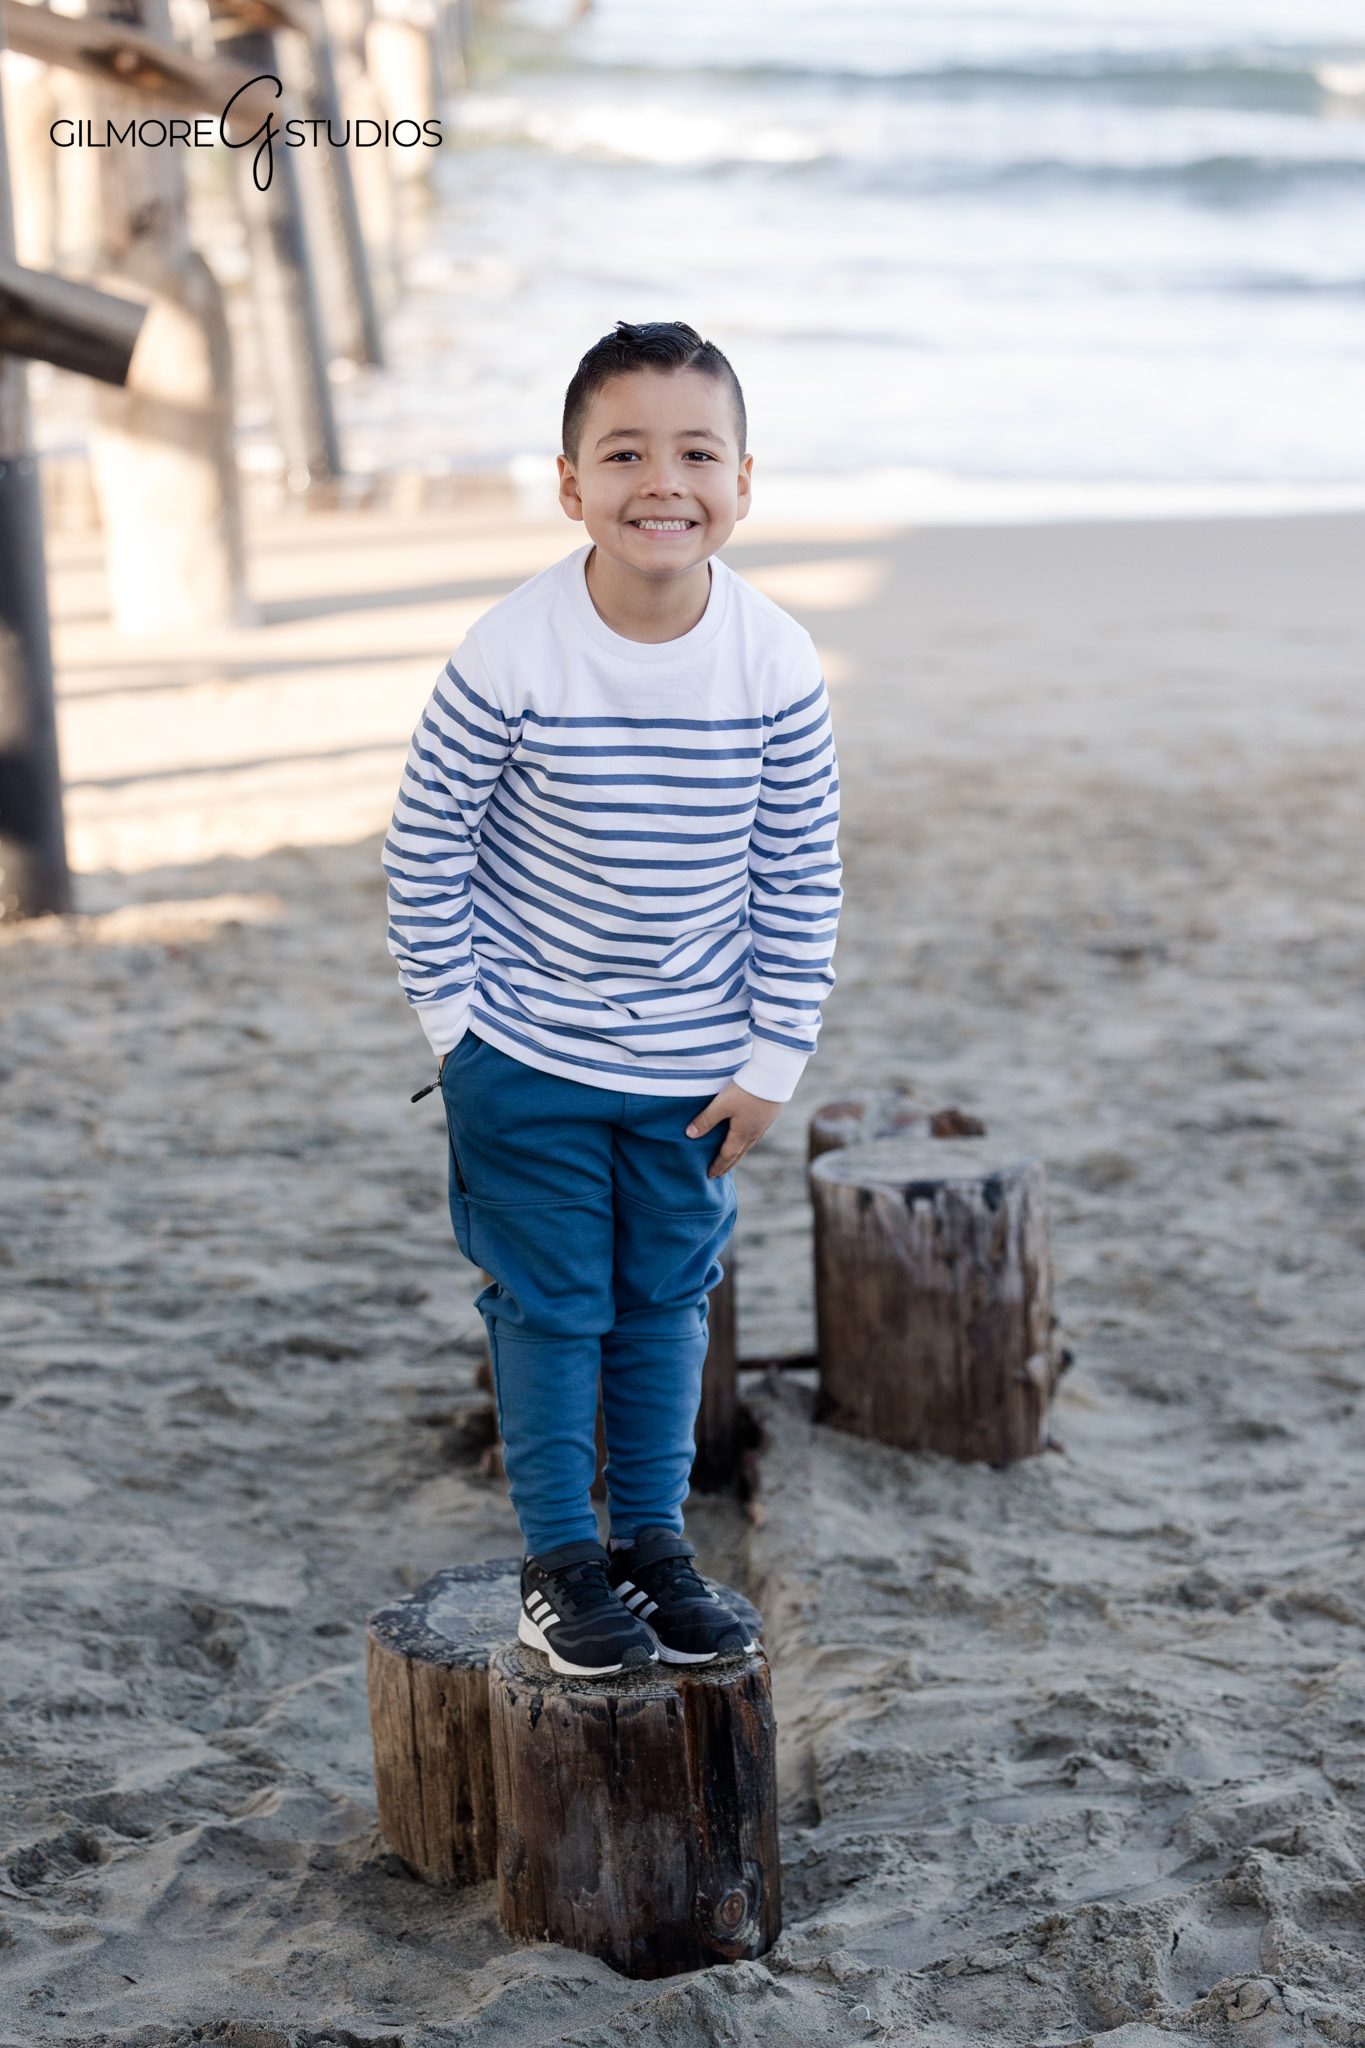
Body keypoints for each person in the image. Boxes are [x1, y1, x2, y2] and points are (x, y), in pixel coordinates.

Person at [384, 320, 842, 1677]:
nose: (664, 481)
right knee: (549, 1307)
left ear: (742, 483)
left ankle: (650, 1545)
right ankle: (558, 1564)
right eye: (624, 451)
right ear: (570, 484)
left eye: (696, 452)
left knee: (664, 1304)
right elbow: (426, 848)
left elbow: (798, 870)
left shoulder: (773, 660)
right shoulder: (513, 652)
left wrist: (772, 1057)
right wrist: (456, 1036)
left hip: (695, 1070)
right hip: (524, 1054)